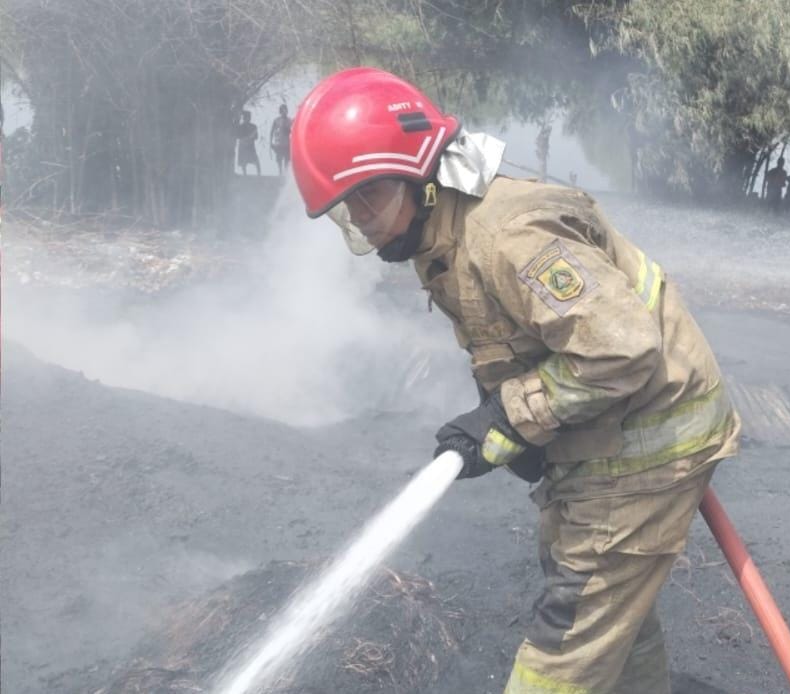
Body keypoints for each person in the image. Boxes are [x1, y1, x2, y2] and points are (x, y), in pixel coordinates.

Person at [289, 68, 741, 694]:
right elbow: (523, 335)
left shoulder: (509, 235)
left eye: (369, 196)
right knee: (614, 622)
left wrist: (511, 416)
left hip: (645, 444)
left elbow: (624, 349)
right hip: (607, 433)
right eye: (348, 206)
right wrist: (506, 417)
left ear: (420, 176)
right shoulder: (444, 232)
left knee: (567, 635)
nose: (360, 219)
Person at [235, 110, 260, 176]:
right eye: (246, 117)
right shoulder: (240, 127)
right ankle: (244, 174)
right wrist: (245, 138)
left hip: (250, 146)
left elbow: (256, 137)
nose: (247, 119)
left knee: (256, 160)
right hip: (243, 145)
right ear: (243, 118)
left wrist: (251, 137)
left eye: (248, 117)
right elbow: (238, 136)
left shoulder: (254, 126)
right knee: (243, 161)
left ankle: (259, 174)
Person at [270, 104, 293, 175]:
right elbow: (272, 131)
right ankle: (280, 171)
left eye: (286, 110)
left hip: (287, 142)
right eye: (283, 110)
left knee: (287, 158)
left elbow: (293, 131)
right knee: (279, 158)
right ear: (280, 111)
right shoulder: (276, 120)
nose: (284, 111)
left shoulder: (290, 120)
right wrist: (271, 142)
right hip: (278, 142)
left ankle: (285, 171)